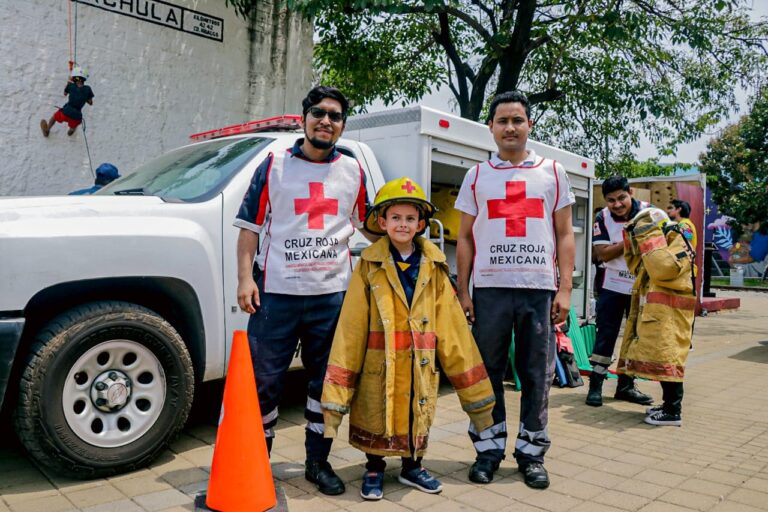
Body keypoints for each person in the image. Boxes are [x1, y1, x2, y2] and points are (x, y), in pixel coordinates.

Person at [234, 86, 373, 496]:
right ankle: (256, 464)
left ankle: (318, 461)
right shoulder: (274, 164)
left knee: (324, 385)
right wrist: (245, 279)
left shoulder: (352, 170)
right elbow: (249, 227)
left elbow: (370, 224)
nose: (325, 121)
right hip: (274, 294)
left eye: (334, 116)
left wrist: (410, 235)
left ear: (343, 126)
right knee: (264, 383)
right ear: (304, 118)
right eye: (318, 112)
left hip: (331, 298)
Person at [321, 177, 495, 501]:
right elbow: (351, 327)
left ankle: (413, 466)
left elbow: (455, 333)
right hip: (377, 367)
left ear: (421, 224)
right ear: (382, 221)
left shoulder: (435, 268)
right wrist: (336, 400)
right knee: (375, 413)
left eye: (410, 218)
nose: (403, 224)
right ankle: (373, 468)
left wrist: (478, 402)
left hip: (420, 367)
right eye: (396, 218)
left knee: (417, 414)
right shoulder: (368, 266)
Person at [454, 90, 575, 489]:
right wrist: (464, 291)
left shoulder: (552, 172)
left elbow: (564, 235)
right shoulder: (476, 176)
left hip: (537, 288)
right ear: (490, 127)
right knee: (486, 373)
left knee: (536, 373)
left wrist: (565, 290)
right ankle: (488, 450)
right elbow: (466, 238)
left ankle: (531, 452)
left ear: (529, 125)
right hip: (489, 289)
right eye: (502, 120)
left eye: (517, 120)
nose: (510, 127)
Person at [617, 207, 695, 426]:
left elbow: (663, 269)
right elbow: (638, 266)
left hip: (672, 316)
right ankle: (668, 405)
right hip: (660, 316)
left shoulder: (680, 238)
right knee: (662, 358)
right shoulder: (663, 244)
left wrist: (648, 232)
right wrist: (634, 236)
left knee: (669, 358)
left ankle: (673, 411)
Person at [586, 177, 653, 408]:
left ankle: (625, 386)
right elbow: (603, 254)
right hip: (611, 284)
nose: (617, 204)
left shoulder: (649, 213)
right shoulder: (601, 218)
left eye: (621, 197)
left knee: (636, 336)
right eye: (611, 200)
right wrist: (633, 237)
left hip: (640, 285)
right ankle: (596, 385)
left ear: (631, 192)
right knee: (606, 335)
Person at [41, 66, 94, 137]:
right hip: (77, 116)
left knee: (54, 117)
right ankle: (71, 131)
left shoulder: (71, 85)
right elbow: (90, 103)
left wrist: (68, 82)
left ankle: (47, 129)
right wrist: (84, 97)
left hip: (66, 111)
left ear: (74, 77)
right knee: (74, 125)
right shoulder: (88, 89)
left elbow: (65, 93)